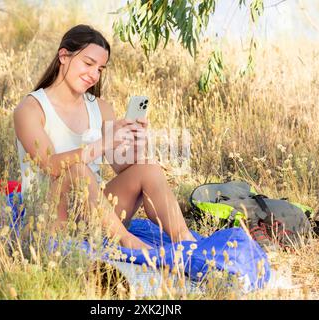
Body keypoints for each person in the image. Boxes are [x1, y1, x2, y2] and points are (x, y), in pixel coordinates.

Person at [13, 24, 196, 249]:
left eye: (100, 69)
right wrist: (103, 143)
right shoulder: (31, 108)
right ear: (63, 56)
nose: (94, 75)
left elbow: (123, 166)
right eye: (88, 63)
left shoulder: (101, 107)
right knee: (78, 170)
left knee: (148, 168)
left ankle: (186, 242)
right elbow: (49, 166)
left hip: (96, 216)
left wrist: (135, 139)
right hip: (49, 217)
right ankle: (128, 242)